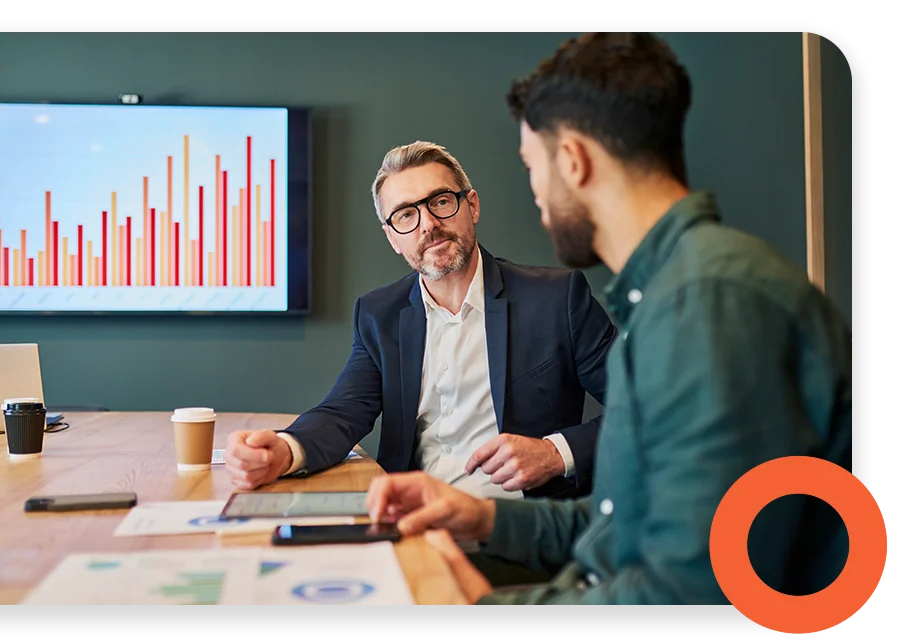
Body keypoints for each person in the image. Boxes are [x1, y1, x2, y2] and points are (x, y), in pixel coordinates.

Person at [365, 32, 854, 605]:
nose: (536, 194)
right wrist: (483, 517)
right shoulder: (671, 294)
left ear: (572, 160)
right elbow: (620, 524)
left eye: (530, 166)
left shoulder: (709, 303)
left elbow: (695, 590)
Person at [225, 141, 617, 509]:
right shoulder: (379, 315)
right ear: (392, 238)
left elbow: (642, 406)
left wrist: (554, 453)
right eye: (405, 215)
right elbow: (343, 412)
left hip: (522, 528)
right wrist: (284, 450)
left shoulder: (556, 299)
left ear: (472, 206)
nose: (427, 224)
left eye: (441, 201)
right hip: (413, 522)